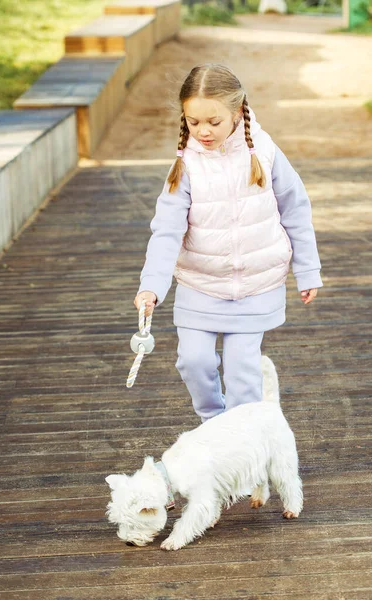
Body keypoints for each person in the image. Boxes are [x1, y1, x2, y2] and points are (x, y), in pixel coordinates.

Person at [134, 64, 323, 423]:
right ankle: (215, 425)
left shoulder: (264, 152)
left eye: (213, 122)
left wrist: (308, 269)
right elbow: (167, 231)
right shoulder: (185, 165)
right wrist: (152, 287)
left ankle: (243, 441)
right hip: (200, 284)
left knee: (241, 373)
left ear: (237, 113)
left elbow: (295, 207)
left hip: (255, 285)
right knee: (194, 361)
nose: (203, 131)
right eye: (193, 122)